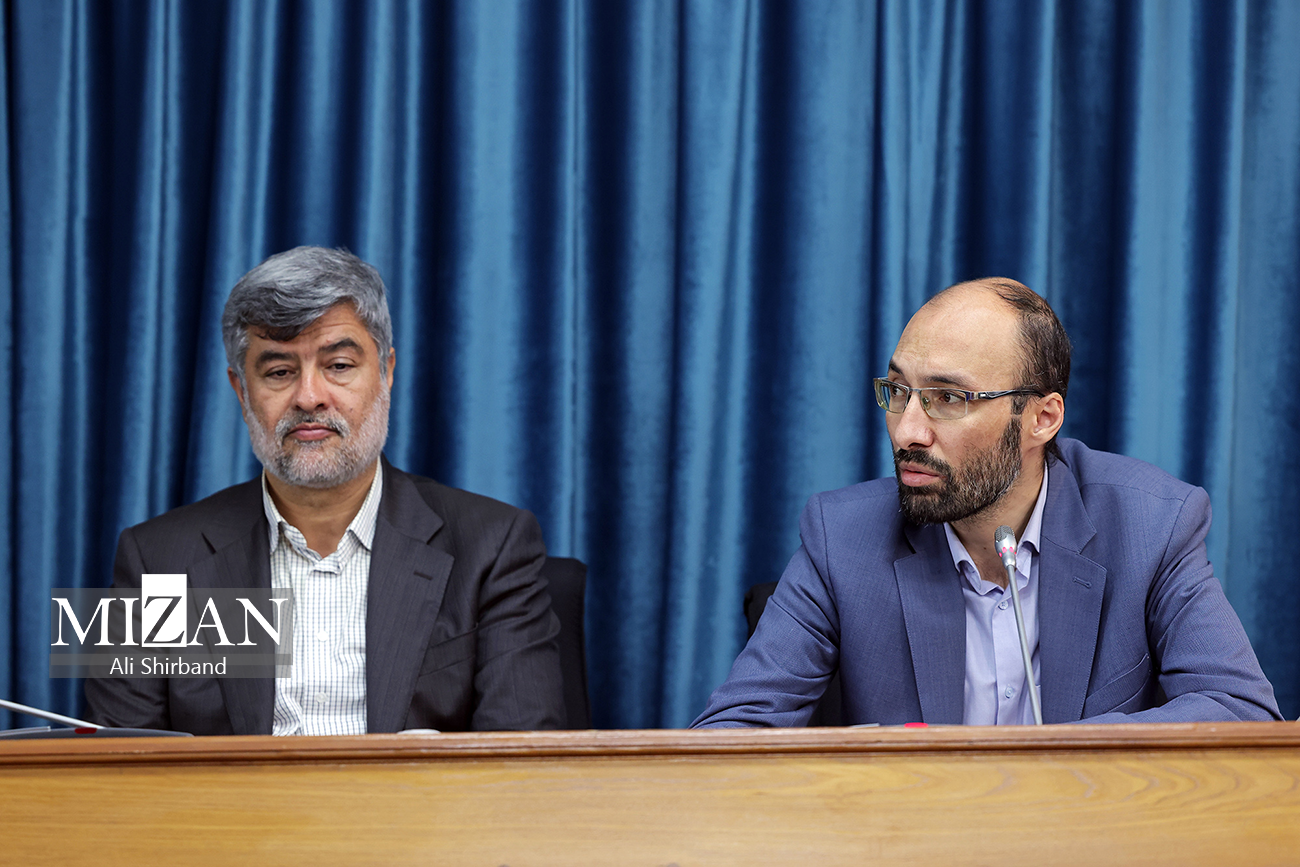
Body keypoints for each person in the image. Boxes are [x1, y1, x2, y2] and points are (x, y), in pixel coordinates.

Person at [694, 278, 1280, 727]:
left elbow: (1239, 710)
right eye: (898, 391)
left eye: (949, 398)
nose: (907, 432)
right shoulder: (840, 537)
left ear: (1041, 418)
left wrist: (1048, 766)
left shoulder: (1152, 525)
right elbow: (732, 734)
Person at [86, 246, 566, 735]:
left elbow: (521, 762)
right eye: (279, 372)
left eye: (338, 365)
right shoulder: (156, 562)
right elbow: (116, 766)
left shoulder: (492, 548)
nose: (310, 397)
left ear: (386, 372)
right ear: (241, 391)